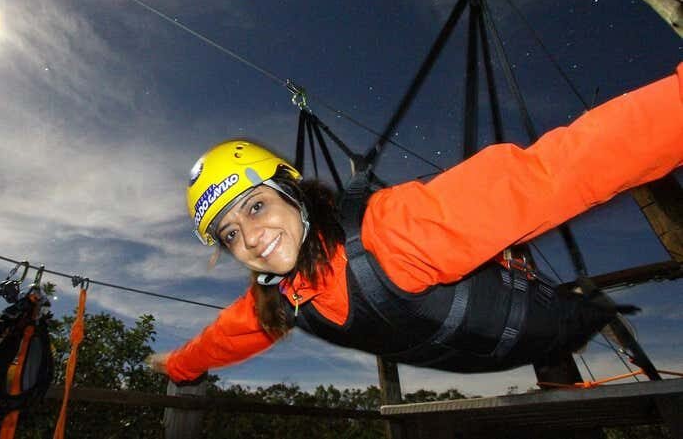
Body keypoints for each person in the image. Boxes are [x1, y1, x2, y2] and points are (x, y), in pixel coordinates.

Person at [148, 63, 683, 384]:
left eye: (256, 207)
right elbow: (223, 340)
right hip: (488, 351)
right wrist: (176, 366)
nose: (251, 237)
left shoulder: (395, 232)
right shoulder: (280, 299)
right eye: (230, 235)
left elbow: (554, 172)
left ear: (294, 194)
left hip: (546, 324)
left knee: (584, 314)